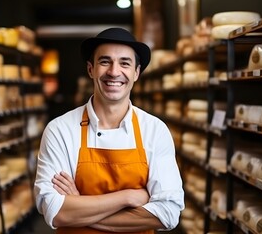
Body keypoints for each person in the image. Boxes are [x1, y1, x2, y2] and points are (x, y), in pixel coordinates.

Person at [34, 27, 185, 233]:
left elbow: (168, 212)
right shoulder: (60, 130)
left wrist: (79, 206)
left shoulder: (155, 130)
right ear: (91, 70)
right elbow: (55, 210)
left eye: (125, 63)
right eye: (105, 61)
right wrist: (128, 197)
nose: (114, 72)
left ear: (136, 73)